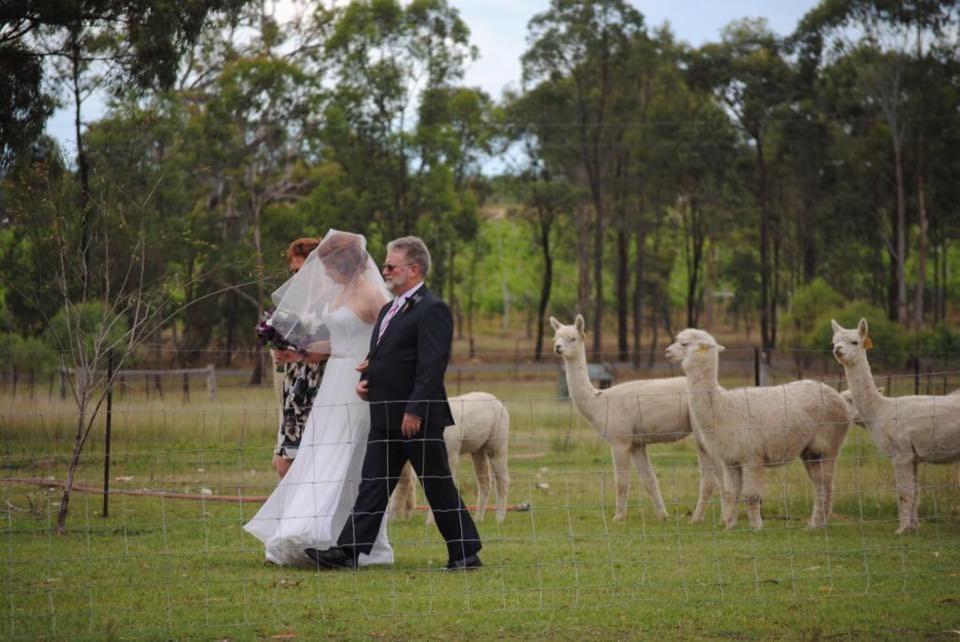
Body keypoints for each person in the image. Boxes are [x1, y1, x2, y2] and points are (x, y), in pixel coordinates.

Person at [305, 236, 482, 572]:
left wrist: (414, 410)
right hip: (384, 413)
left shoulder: (433, 310)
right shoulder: (390, 308)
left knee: (436, 484)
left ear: (414, 270)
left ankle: (465, 553)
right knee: (373, 484)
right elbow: (387, 356)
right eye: (385, 264)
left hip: (417, 417)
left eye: (391, 266)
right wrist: (369, 377)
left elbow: (431, 366)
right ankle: (348, 552)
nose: (383, 270)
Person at [244, 230, 394, 567]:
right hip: (333, 383)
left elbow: (390, 336)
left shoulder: (372, 295)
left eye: (327, 266)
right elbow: (337, 343)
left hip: (359, 386)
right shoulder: (340, 294)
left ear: (343, 264)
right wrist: (299, 353)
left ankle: (353, 542)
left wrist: (375, 363)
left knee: (349, 458)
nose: (323, 273)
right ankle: (315, 533)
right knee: (320, 452)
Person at [271, 237, 326, 479]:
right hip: (294, 385)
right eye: (293, 270)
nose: (295, 276)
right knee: (282, 464)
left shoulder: (331, 301)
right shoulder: (295, 303)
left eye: (300, 270)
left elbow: (340, 344)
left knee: (300, 466)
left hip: (319, 386)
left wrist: (303, 351)